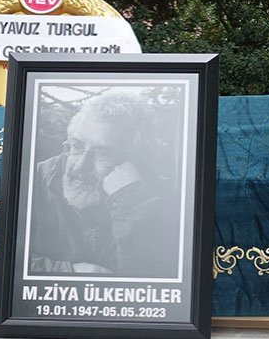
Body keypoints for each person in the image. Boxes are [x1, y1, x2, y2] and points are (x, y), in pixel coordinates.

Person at [28, 90, 179, 278]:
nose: (80, 165)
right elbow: (4, 255)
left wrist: (131, 201)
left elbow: (159, 275)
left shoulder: (165, 197)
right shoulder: (33, 180)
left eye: (103, 153)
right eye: (76, 146)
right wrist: (66, 272)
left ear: (136, 160)